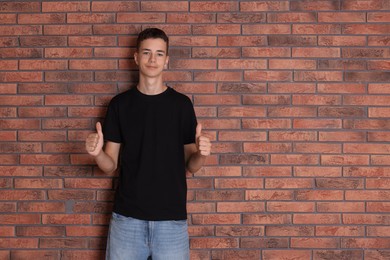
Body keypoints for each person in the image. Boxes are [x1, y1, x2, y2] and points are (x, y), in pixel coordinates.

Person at [85, 28, 211, 260]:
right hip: (127, 221)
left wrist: (202, 154)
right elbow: (109, 165)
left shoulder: (181, 105)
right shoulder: (119, 105)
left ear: (167, 60)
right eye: (146, 53)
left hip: (171, 222)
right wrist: (96, 154)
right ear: (135, 57)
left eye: (159, 54)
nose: (153, 59)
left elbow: (192, 166)